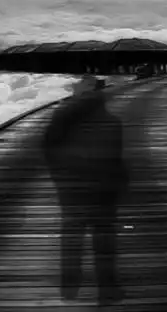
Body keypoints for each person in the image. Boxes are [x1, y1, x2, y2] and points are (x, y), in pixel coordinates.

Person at [42, 76, 127, 304]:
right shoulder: (111, 122)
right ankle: (107, 288)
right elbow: (116, 161)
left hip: (72, 189)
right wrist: (119, 184)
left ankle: (70, 286)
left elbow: (49, 149)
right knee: (104, 240)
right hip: (102, 192)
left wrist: (59, 179)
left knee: (72, 236)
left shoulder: (61, 118)